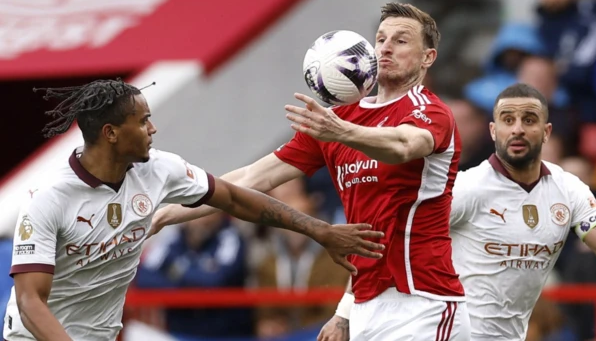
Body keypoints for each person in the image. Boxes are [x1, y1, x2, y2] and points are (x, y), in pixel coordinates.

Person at [152, 2, 469, 340]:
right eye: (380, 38)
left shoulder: (430, 111)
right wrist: (166, 214)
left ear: (427, 58)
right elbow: (248, 180)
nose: (386, 47)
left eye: (402, 40)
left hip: (424, 302)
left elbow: (404, 145)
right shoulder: (339, 120)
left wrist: (342, 133)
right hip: (365, 304)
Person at [3, 79, 385, 341]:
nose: (153, 129)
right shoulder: (48, 199)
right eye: (143, 120)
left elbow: (236, 198)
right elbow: (29, 300)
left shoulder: (160, 169)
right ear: (110, 133)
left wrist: (319, 231)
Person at [330, 83, 596, 340]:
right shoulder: (466, 188)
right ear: (493, 130)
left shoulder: (569, 189)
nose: (517, 129)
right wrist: (345, 314)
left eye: (529, 120)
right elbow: (383, 241)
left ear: (546, 132)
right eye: (507, 120)